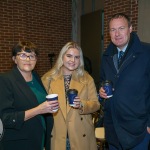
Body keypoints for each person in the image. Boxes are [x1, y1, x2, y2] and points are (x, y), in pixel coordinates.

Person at [99, 13, 150, 150]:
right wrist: (101, 92)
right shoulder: (106, 56)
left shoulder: (146, 53)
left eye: (121, 28)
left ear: (130, 28)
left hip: (138, 130)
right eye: (113, 30)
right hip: (113, 129)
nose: (117, 34)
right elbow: (102, 81)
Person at [0, 41, 59, 150]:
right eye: (22, 55)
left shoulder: (36, 77)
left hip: (39, 138)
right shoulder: (5, 80)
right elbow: (6, 118)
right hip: (19, 143)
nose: (28, 59)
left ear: (36, 59)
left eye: (31, 56)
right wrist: (39, 109)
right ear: (14, 59)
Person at [42, 41, 100, 150]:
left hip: (80, 134)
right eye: (69, 56)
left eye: (77, 57)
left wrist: (82, 104)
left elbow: (96, 104)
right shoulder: (48, 79)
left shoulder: (87, 78)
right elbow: (40, 105)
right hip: (57, 134)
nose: (72, 60)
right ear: (62, 57)